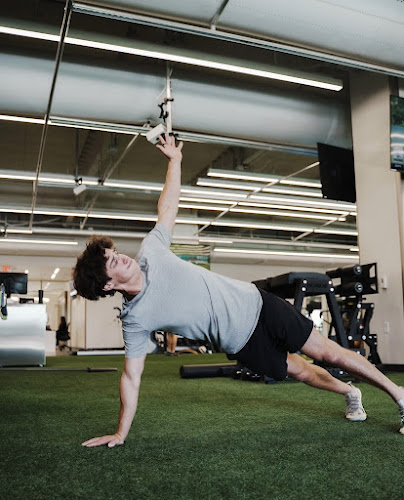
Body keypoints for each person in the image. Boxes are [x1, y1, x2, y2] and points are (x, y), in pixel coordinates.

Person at [73, 134, 404, 448]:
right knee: (302, 371)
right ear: (107, 285)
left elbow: (168, 208)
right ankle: (350, 392)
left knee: (328, 353)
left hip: (259, 305)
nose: (121, 257)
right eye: (112, 262)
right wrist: (120, 432)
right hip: (243, 344)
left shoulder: (152, 252)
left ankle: (400, 396)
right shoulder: (135, 320)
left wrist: (175, 161)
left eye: (115, 253)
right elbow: (131, 377)